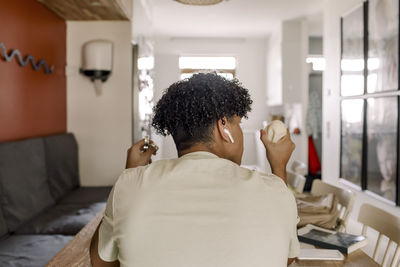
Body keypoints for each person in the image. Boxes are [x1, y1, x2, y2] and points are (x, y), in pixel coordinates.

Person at [90, 73, 299, 267]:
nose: (241, 133)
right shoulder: (274, 190)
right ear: (223, 126)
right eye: (239, 124)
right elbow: (286, 258)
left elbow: (101, 263)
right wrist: (279, 167)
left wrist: (132, 172)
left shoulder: (130, 184)